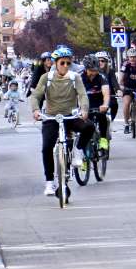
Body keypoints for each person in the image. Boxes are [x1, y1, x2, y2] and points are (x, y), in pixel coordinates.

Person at [29, 46, 94, 195]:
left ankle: (78, 151)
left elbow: (83, 95)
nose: (65, 66)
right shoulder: (46, 78)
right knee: (46, 147)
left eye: (68, 63)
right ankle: (50, 183)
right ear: (55, 63)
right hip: (52, 117)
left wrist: (84, 109)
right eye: (62, 63)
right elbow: (36, 96)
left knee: (89, 127)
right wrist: (36, 110)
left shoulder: (74, 77)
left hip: (70, 116)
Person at [79, 57, 111, 151]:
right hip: (83, 103)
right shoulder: (79, 77)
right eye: (91, 70)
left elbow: (106, 93)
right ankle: (82, 155)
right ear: (86, 69)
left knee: (102, 117)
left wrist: (105, 104)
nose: (94, 73)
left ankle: (103, 139)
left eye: (96, 70)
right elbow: (75, 94)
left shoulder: (101, 77)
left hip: (98, 103)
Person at [118, 48, 136, 133]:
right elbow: (121, 78)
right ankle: (126, 124)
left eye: (134, 57)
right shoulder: (125, 64)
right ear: (128, 57)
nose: (132, 59)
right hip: (128, 87)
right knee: (126, 104)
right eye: (130, 57)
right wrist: (121, 87)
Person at [96, 52, 120, 124]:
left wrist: (118, 90)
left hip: (110, 95)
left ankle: (109, 122)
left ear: (106, 62)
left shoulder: (110, 71)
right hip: (96, 95)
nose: (100, 62)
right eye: (98, 61)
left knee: (114, 105)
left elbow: (114, 82)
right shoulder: (93, 72)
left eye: (102, 61)